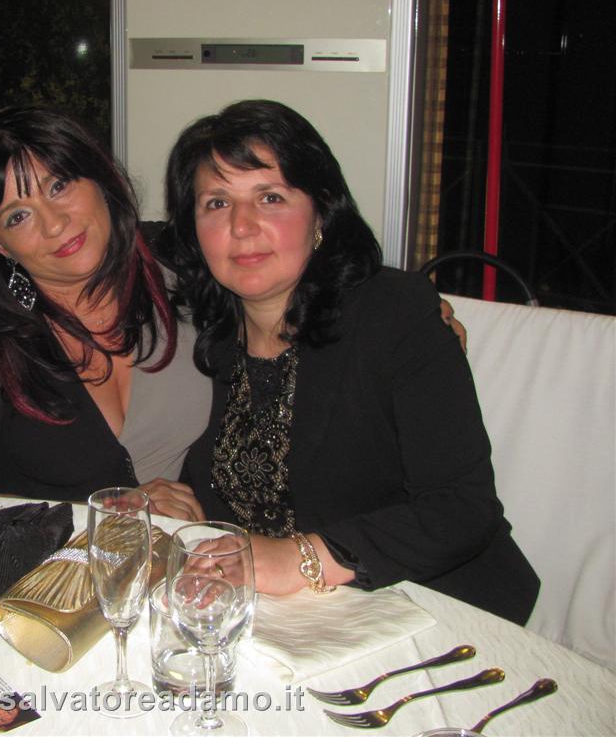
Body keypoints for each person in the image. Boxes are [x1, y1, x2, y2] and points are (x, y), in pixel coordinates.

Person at [167, 99, 539, 624]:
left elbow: (461, 508)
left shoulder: (394, 313)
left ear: (320, 213)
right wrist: (176, 498)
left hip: (430, 610)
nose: (242, 225)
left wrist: (299, 559)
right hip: (288, 619)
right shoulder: (208, 332)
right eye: (217, 203)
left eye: (270, 197)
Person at [0, 106, 207, 522]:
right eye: (18, 216)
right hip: (51, 560)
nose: (54, 224)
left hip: (199, 552)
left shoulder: (185, 277)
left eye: (58, 186)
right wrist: (110, 514)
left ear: (99, 178)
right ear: (0, 246)